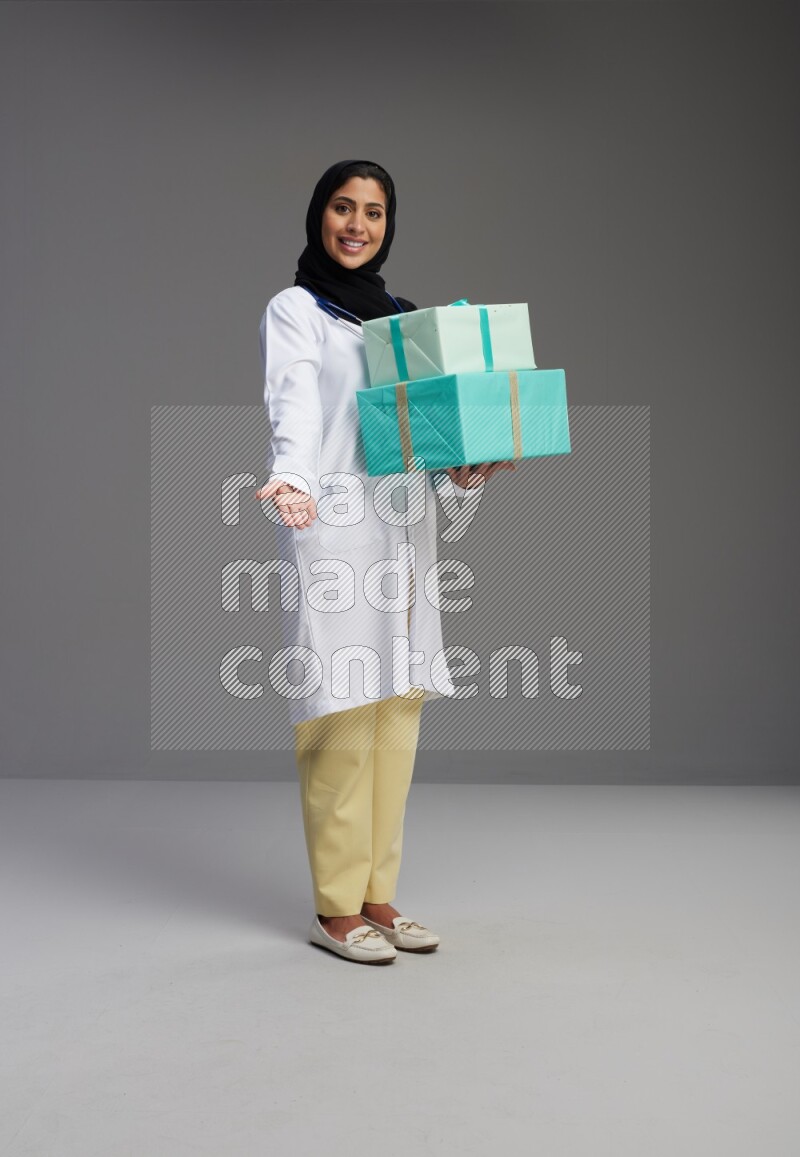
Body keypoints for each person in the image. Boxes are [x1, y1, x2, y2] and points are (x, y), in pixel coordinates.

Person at [256, 159, 513, 964]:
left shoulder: (404, 324)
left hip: (404, 533)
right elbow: (293, 400)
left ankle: (378, 894)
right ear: (319, 215)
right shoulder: (298, 310)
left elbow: (424, 434)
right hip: (335, 531)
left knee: (397, 716)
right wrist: (292, 476)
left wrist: (465, 469)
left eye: (373, 211)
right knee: (339, 715)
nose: (357, 224)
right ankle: (335, 908)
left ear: (388, 225)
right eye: (343, 207)